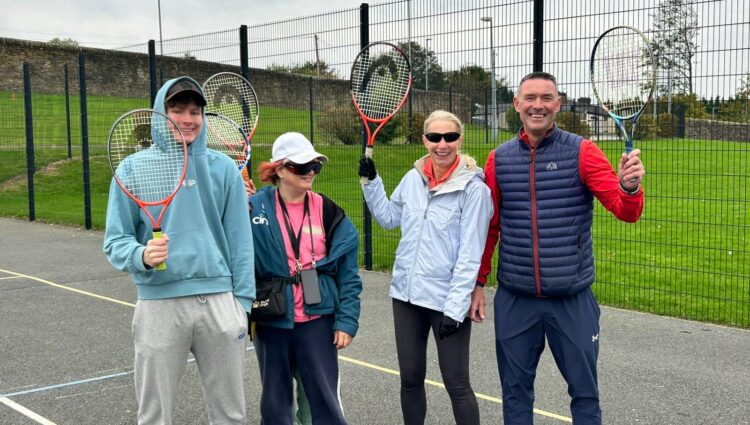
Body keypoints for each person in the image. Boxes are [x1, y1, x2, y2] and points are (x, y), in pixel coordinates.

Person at [478, 71, 645, 425]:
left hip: (572, 300)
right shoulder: (499, 159)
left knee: (585, 394)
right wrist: (479, 283)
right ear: (517, 104)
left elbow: (625, 211)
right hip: (515, 299)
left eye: (546, 98)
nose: (538, 105)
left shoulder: (583, 152)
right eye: (530, 98)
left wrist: (630, 187)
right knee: (515, 393)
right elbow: (490, 227)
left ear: (558, 104)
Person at [103, 77, 255, 425]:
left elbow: (240, 241)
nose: (187, 119)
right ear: (161, 113)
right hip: (159, 305)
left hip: (220, 304)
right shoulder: (132, 168)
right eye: (177, 110)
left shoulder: (224, 169)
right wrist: (141, 255)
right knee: (155, 414)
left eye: (194, 111)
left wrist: (241, 305)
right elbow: (115, 240)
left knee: (231, 415)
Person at [358, 110, 493, 425]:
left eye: (450, 137)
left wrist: (456, 307)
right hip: (406, 297)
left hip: (446, 302)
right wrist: (371, 182)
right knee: (410, 379)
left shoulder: (474, 190)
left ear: (460, 139)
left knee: (457, 385)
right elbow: (388, 218)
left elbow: (470, 255)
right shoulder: (412, 177)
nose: (442, 144)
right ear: (424, 140)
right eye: (434, 137)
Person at [249, 132, 362, 425]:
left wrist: (347, 320)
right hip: (272, 319)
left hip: (318, 320)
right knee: (275, 404)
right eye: (301, 167)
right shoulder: (253, 208)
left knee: (322, 403)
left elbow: (349, 274)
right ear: (279, 170)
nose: (310, 172)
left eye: (315, 165)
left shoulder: (329, 211)